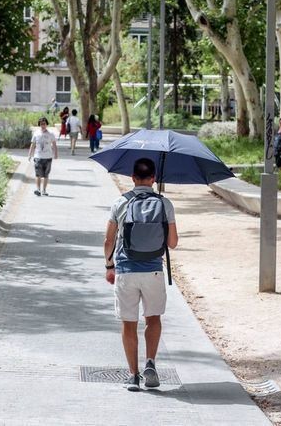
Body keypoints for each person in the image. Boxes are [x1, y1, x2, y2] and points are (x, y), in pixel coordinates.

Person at [103, 158, 179, 392]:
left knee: (129, 323)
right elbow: (173, 243)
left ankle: (133, 376)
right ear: (154, 179)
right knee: (153, 319)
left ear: (133, 178)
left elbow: (108, 240)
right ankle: (151, 363)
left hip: (126, 271)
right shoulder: (164, 203)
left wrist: (109, 266)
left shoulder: (120, 203)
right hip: (154, 270)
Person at [28, 117, 58, 196]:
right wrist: (30, 154)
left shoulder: (51, 134)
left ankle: (44, 190)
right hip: (38, 157)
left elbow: (54, 144)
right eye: (41, 124)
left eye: (44, 124)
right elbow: (33, 144)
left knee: (46, 175)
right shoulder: (36, 133)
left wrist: (56, 154)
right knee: (38, 174)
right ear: (39, 125)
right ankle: (38, 189)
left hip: (48, 157)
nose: (43, 125)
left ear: (46, 124)